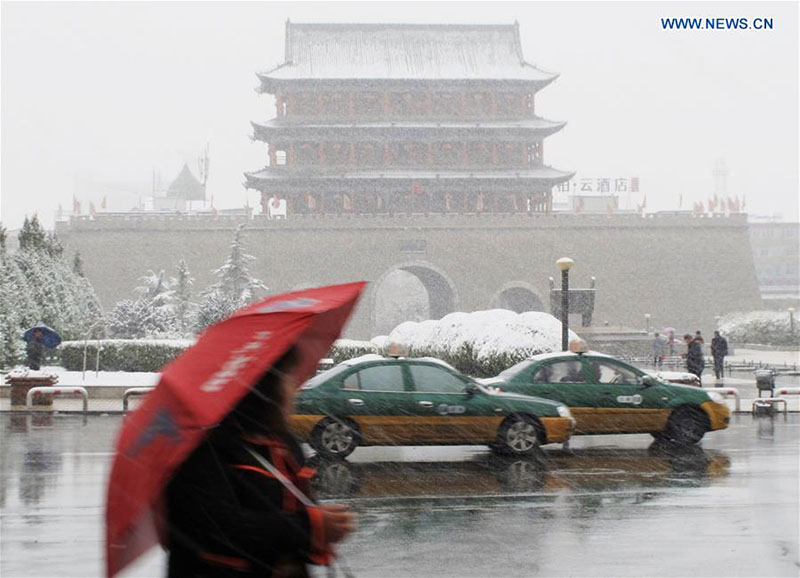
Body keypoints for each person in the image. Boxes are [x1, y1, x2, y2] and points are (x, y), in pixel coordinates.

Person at [166, 347, 356, 577]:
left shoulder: (283, 443)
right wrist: (311, 526)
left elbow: (295, 509)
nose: (295, 389)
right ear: (263, 388)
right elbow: (219, 529)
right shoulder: (201, 452)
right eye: (287, 378)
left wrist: (319, 532)